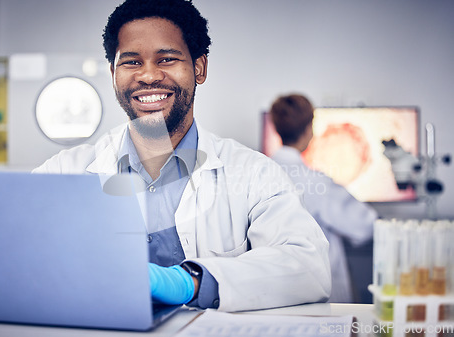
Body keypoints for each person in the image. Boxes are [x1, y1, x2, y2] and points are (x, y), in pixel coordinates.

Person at [33, 0, 330, 312]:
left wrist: (193, 281)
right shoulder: (64, 172)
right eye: (131, 62)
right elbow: (12, 255)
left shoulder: (254, 174)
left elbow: (309, 265)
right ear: (113, 73)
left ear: (199, 68)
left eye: (167, 59)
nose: (148, 76)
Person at [269, 93, 378, 303]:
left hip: (274, 293)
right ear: (309, 128)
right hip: (319, 294)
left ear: (278, 128)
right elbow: (365, 225)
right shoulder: (317, 183)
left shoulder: (257, 175)